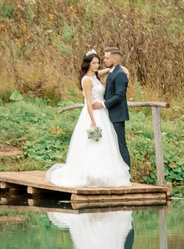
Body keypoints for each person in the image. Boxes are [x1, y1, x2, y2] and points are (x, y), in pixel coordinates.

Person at [45, 50, 131, 191]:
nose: (97, 65)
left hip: (103, 113)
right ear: (88, 64)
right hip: (93, 113)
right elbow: (88, 101)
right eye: (94, 63)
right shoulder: (86, 80)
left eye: (98, 62)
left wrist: (119, 68)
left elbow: (107, 71)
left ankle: (104, 173)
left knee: (106, 145)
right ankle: (89, 174)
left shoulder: (96, 76)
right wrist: (92, 120)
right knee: (92, 145)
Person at [101, 49, 132, 171]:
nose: (104, 60)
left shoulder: (119, 74)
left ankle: (126, 173)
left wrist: (104, 104)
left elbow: (120, 95)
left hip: (117, 114)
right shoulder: (112, 72)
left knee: (120, 145)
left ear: (115, 59)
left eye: (107, 58)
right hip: (111, 114)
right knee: (112, 144)